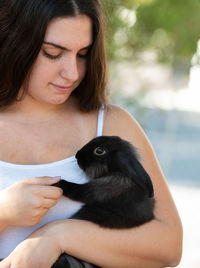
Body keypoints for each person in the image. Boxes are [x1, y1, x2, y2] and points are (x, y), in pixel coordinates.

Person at [0, 0, 183, 267]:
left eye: (83, 53)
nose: (72, 73)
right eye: (53, 53)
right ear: (15, 41)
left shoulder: (111, 125)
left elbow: (169, 245)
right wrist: (4, 212)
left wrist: (56, 236)